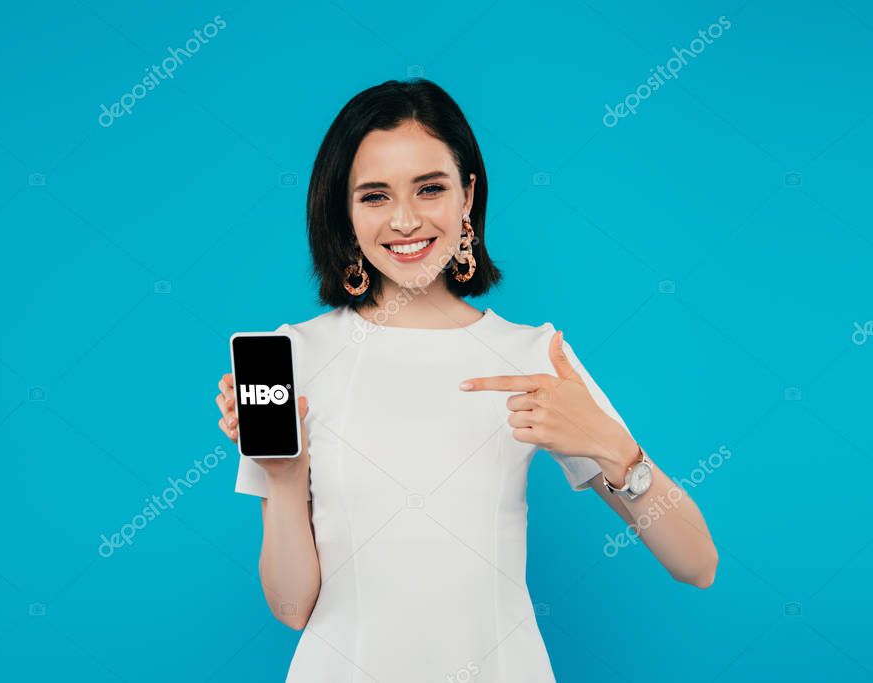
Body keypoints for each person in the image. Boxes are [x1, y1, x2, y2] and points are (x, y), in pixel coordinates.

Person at [215, 78, 718, 682]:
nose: (405, 221)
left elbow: (697, 563)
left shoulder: (535, 354)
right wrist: (285, 476)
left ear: (468, 196)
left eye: (430, 189)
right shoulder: (295, 356)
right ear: (344, 213)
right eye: (374, 196)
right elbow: (293, 608)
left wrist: (613, 448)